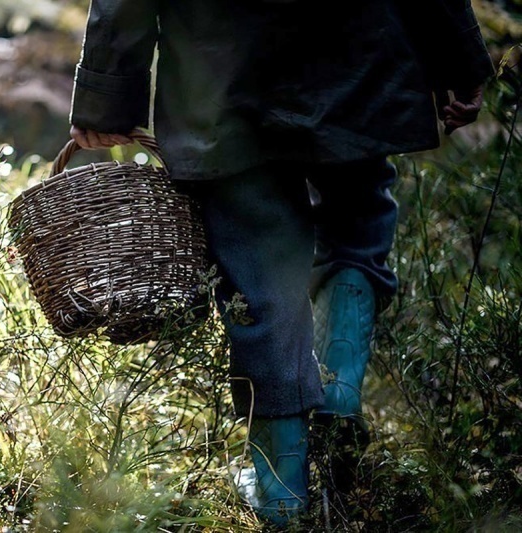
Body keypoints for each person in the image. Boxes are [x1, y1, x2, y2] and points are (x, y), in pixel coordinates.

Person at [67, 0, 494, 526]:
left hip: (222, 79)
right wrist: (462, 61)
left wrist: (105, 101)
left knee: (259, 276)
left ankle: (281, 494)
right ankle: (339, 388)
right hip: (359, 59)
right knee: (357, 228)